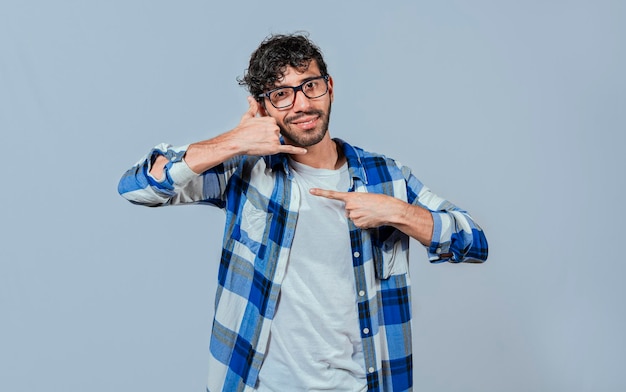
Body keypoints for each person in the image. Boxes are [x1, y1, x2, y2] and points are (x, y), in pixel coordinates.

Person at [118, 33, 488, 392]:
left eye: (310, 85)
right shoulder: (245, 170)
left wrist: (398, 212)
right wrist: (234, 141)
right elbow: (139, 187)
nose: (301, 104)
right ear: (262, 108)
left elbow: (473, 242)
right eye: (282, 95)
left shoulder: (385, 177)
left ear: (329, 86)